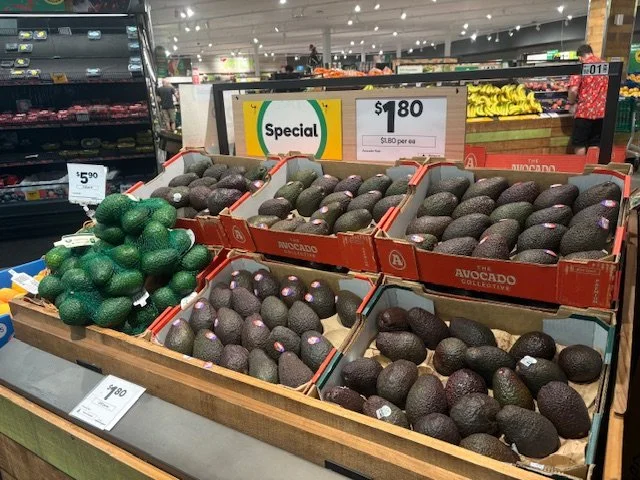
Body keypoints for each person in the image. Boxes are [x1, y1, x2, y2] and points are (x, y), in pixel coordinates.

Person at [568, 44, 608, 155]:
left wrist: (571, 103)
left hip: (584, 112)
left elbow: (573, 90)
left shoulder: (581, 66)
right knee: (595, 143)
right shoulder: (605, 65)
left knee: (580, 143)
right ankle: (592, 165)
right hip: (601, 112)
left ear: (580, 57)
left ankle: (580, 165)